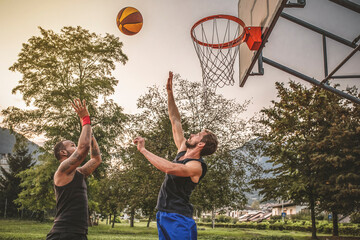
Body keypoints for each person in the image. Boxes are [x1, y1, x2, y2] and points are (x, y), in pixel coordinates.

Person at [134, 71, 218, 240]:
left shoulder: (196, 166)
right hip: (164, 214)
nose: (192, 134)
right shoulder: (183, 150)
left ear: (201, 144)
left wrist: (144, 150)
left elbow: (170, 168)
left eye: (197, 135)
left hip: (179, 218)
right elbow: (175, 120)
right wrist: (170, 94)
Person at [46, 99, 102, 240]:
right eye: (72, 145)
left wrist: (91, 135)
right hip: (63, 233)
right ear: (63, 153)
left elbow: (96, 159)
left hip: (78, 233)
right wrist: (85, 118)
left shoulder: (79, 172)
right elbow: (83, 149)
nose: (75, 147)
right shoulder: (63, 170)